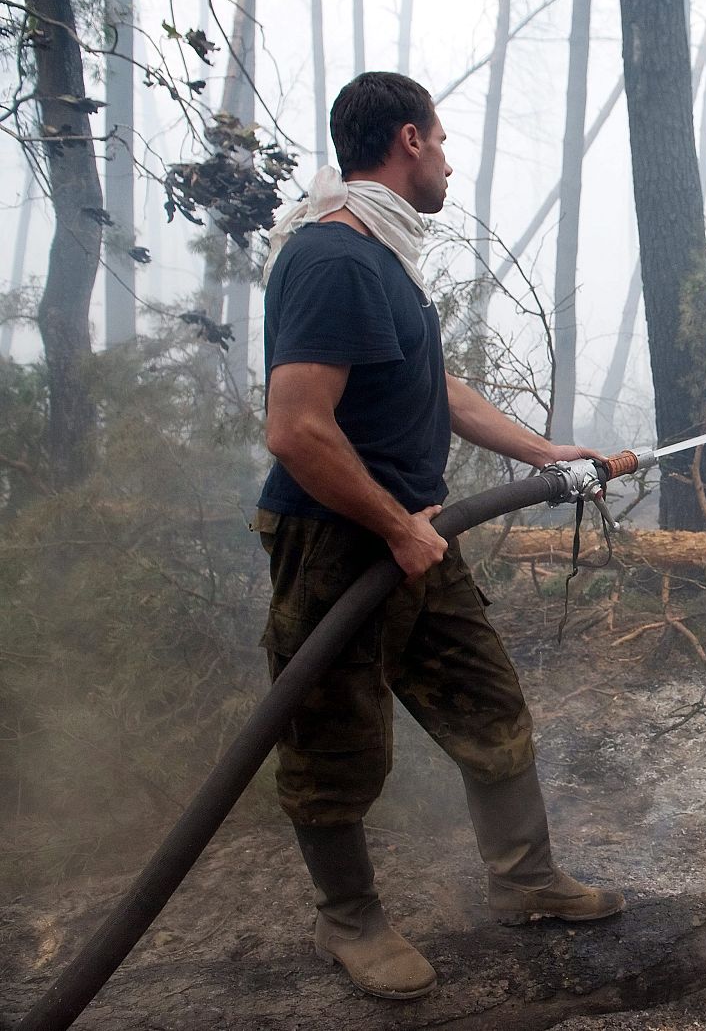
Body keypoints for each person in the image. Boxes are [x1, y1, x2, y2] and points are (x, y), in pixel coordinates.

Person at [253, 71, 624, 1001]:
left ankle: (525, 881)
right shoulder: (333, 258)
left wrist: (546, 452)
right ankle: (352, 923)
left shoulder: (383, 260)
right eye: (444, 143)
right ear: (409, 141)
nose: (451, 162)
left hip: (413, 532)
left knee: (487, 704)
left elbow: (437, 394)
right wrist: (391, 527)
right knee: (335, 743)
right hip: (341, 542)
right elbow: (297, 429)